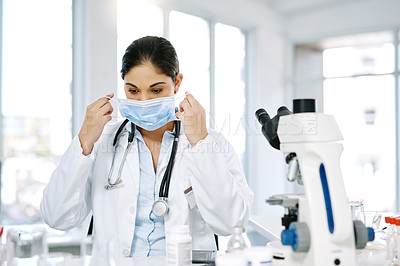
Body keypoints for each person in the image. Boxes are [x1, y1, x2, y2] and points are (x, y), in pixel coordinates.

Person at [40, 36, 254, 258]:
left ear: (177, 83)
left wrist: (200, 143)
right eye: (133, 91)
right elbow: (57, 216)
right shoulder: (103, 141)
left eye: (156, 91)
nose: (143, 102)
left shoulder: (211, 144)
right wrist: (83, 141)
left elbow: (232, 223)